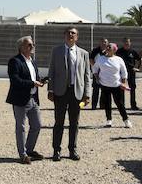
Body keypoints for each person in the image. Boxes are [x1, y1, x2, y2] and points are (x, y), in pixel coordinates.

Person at [48, 27, 91, 161]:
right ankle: (56, 150)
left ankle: (72, 150)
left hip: (76, 92)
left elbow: (87, 75)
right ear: (64, 35)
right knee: (59, 122)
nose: (70, 35)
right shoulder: (56, 51)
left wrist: (87, 94)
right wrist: (50, 90)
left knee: (74, 122)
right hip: (60, 92)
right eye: (68, 33)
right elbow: (52, 71)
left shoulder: (83, 53)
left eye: (73, 33)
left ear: (77, 37)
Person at [6, 36, 45, 164]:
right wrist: (32, 83)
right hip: (20, 99)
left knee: (37, 125)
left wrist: (40, 81)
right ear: (21, 47)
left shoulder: (33, 61)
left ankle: (29, 149)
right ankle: (22, 154)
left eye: (32, 44)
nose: (32, 47)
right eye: (29, 45)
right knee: (21, 127)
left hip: (33, 98)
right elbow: (15, 80)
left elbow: (34, 78)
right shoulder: (15, 61)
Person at [94, 43, 131, 128]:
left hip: (116, 85)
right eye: (107, 46)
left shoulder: (118, 59)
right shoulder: (101, 59)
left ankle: (126, 120)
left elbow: (124, 71)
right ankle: (109, 120)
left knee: (120, 103)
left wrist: (124, 82)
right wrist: (97, 78)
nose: (107, 47)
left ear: (114, 49)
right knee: (107, 103)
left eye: (109, 47)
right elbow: (95, 69)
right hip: (104, 85)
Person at [118, 38, 141, 110]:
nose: (126, 43)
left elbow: (139, 59)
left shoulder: (133, 52)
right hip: (122, 72)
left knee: (132, 88)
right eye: (125, 42)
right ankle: (122, 105)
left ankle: (133, 105)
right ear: (123, 43)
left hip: (131, 72)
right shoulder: (119, 51)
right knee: (122, 88)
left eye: (128, 42)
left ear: (130, 43)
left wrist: (137, 68)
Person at [88, 38, 108, 109]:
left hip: (105, 73)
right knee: (95, 89)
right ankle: (94, 105)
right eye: (102, 42)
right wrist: (95, 68)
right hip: (96, 73)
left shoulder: (108, 51)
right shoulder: (95, 50)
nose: (104, 43)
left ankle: (102, 105)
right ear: (100, 43)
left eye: (105, 42)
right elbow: (91, 59)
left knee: (104, 89)